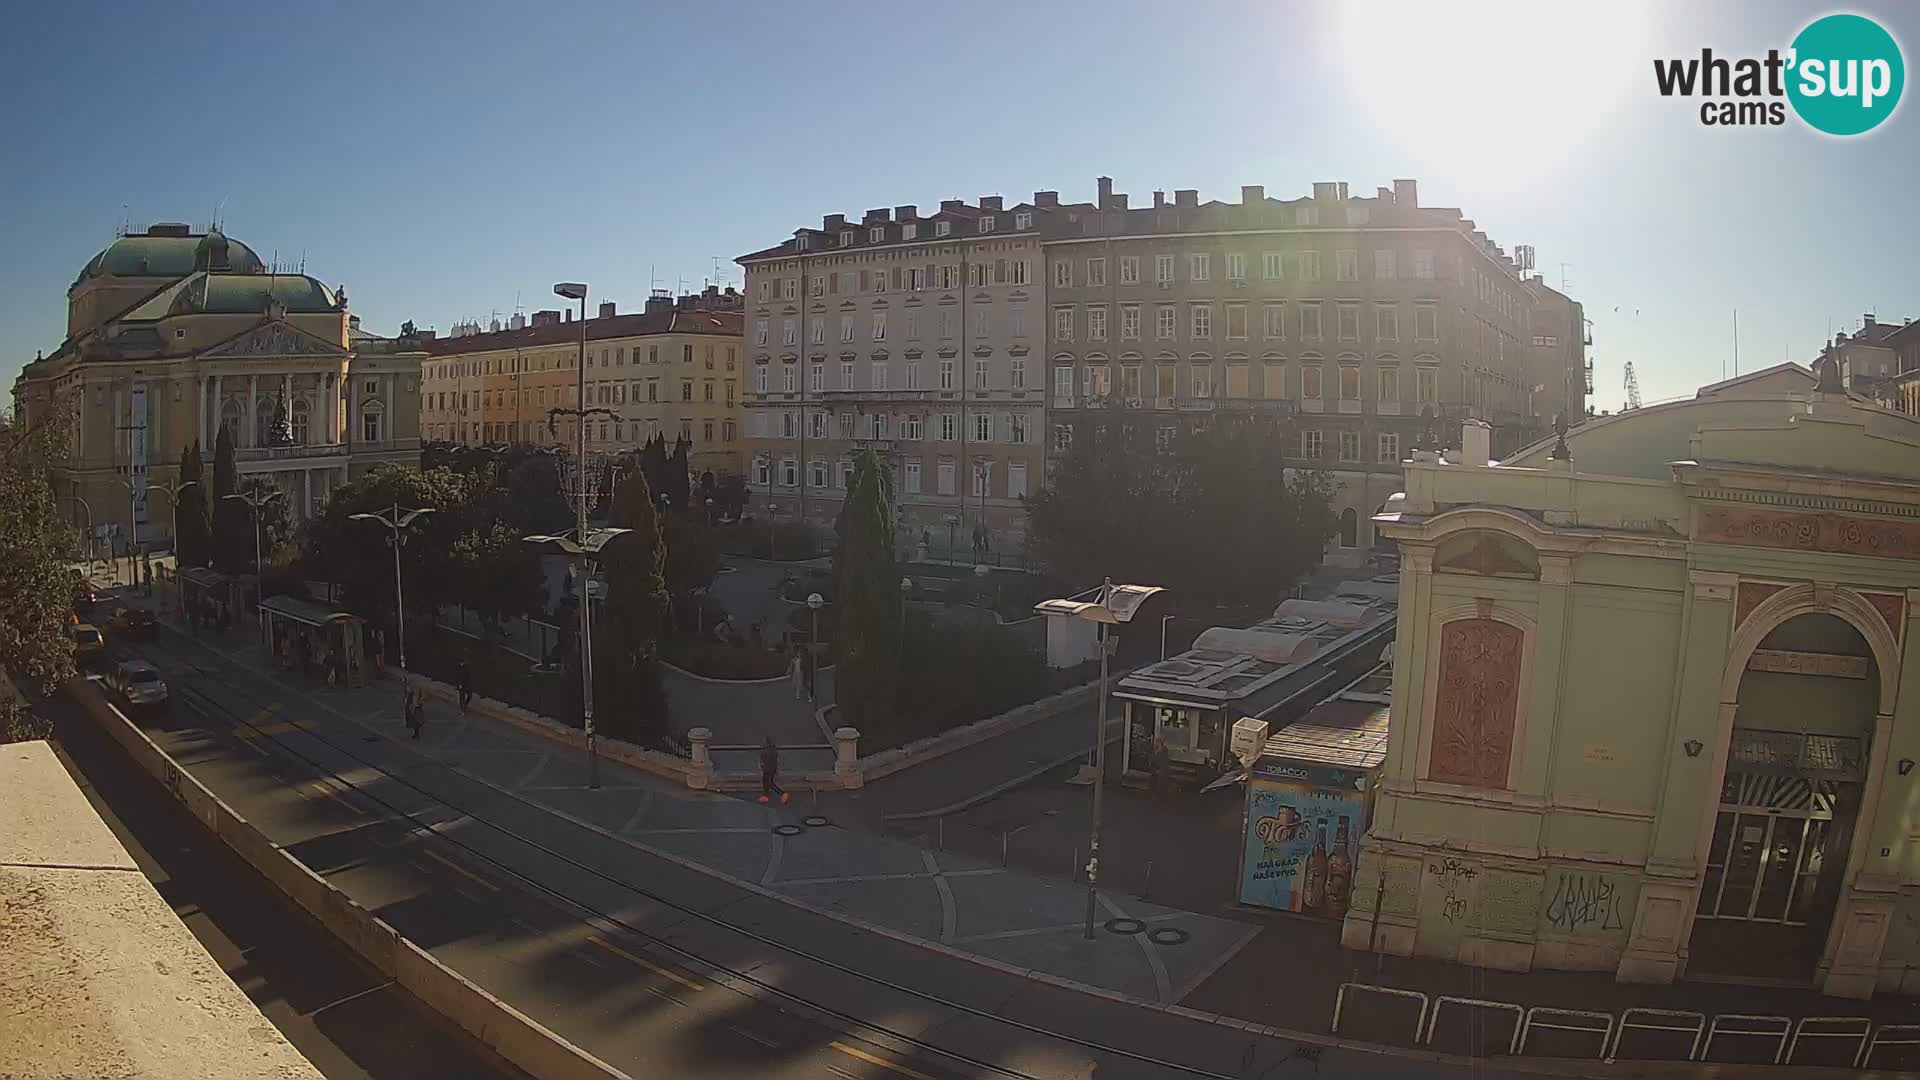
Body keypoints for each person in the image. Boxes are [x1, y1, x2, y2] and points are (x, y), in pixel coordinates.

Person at [758, 737, 787, 805]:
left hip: (768, 769)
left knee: (769, 783)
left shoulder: (766, 751)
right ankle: (765, 796)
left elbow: (764, 760)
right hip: (770, 768)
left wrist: (762, 766)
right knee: (765, 781)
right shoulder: (773, 750)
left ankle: (783, 794)